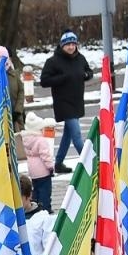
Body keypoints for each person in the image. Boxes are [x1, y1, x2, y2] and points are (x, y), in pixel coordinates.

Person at [40, 31, 93, 173]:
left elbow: (89, 71)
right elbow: (44, 81)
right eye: (67, 45)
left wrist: (86, 75)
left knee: (67, 134)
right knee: (76, 135)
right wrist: (62, 78)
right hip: (63, 102)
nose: (70, 47)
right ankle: (90, 163)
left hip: (76, 100)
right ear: (62, 45)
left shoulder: (80, 58)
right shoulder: (53, 61)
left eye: (73, 44)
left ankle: (58, 163)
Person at [20, 124, 54, 216]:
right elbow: (45, 156)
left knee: (36, 190)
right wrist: (50, 167)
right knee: (45, 191)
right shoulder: (41, 140)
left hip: (33, 170)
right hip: (43, 171)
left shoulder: (26, 140)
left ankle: (34, 208)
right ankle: (45, 209)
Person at [20, 172, 54, 255]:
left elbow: (50, 250)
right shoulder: (7, 220)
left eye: (19, 199)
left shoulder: (43, 218)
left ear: (29, 196)